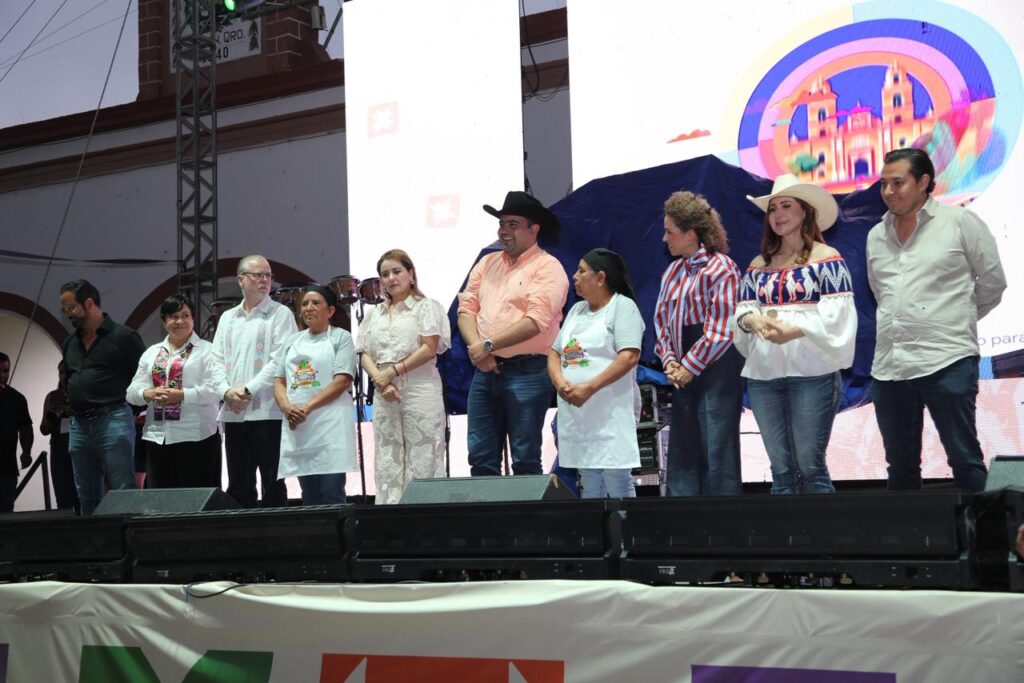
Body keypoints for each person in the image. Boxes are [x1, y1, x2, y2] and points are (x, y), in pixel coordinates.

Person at [867, 148, 1006, 492]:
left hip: (947, 360)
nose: (888, 191)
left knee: (964, 459)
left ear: (923, 182)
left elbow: (992, 282)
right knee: (899, 465)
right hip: (890, 368)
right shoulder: (875, 235)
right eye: (883, 184)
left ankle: (984, 530)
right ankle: (904, 529)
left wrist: (954, 318)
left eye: (898, 183)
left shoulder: (959, 222)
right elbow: (881, 293)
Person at [734, 174, 857, 494]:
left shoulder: (827, 258)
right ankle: (787, 527)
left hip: (812, 373)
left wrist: (797, 328)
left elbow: (840, 317)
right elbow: (742, 312)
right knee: (781, 470)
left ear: (806, 211)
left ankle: (821, 528)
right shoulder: (758, 264)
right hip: (764, 375)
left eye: (786, 206)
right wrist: (753, 321)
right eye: (773, 208)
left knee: (811, 466)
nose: (778, 214)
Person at [457, 191, 569, 477]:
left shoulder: (548, 267)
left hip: (529, 369)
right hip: (485, 369)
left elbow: (536, 321)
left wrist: (486, 346)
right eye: (502, 224)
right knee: (480, 457)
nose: (504, 231)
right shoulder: (486, 263)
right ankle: (488, 507)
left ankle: (527, 509)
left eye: (513, 224)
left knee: (525, 457)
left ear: (534, 229)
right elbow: (466, 310)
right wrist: (479, 349)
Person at [654, 191, 744, 496]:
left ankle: (721, 520)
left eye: (670, 232)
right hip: (683, 368)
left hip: (717, 367)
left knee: (717, 447)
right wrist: (669, 361)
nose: (665, 238)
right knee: (684, 449)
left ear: (691, 234)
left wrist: (688, 366)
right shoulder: (672, 272)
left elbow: (723, 328)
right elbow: (662, 321)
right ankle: (684, 517)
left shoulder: (722, 268)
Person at [548, 249, 644, 499]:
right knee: (588, 479)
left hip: (611, 411)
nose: (575, 276)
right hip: (578, 411)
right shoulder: (576, 310)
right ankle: (595, 526)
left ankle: (624, 525)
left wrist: (589, 387)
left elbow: (629, 356)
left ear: (601, 278)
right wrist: (560, 383)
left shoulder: (622, 307)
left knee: (616, 479)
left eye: (581, 271)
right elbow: (555, 353)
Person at [358, 249, 451, 504]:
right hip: (384, 390)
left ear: (411, 274)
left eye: (396, 271)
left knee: (423, 454)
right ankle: (390, 515)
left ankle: (423, 515)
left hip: (420, 388)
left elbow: (429, 348)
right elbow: (364, 353)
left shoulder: (426, 306)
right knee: (388, 456)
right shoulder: (374, 314)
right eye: (385, 274)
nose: (390, 278)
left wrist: (392, 372)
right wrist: (381, 380)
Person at [212, 255, 298, 507]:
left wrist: (247, 390)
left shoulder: (280, 314)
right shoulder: (228, 317)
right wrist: (226, 392)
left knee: (273, 483)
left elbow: (280, 360)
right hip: (234, 413)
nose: (265, 280)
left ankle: (276, 531)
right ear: (241, 279)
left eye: (268, 275)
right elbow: (216, 361)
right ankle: (243, 531)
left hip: (268, 412)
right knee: (239, 485)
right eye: (258, 275)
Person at [59, 279, 145, 515]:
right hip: (79, 424)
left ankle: (128, 538)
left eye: (70, 307)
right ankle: (93, 539)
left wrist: (129, 411)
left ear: (89, 303)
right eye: (63, 308)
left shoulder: (123, 336)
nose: (67, 313)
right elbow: (69, 378)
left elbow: (142, 377)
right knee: (86, 495)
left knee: (123, 490)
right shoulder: (70, 343)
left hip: (113, 418)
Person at [126, 294, 224, 489]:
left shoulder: (208, 350)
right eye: (173, 316)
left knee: (198, 500)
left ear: (193, 319)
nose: (180, 321)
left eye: (185, 316)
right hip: (157, 436)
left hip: (197, 436)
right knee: (162, 501)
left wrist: (182, 395)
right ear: (164, 321)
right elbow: (131, 392)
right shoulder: (151, 353)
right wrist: (147, 394)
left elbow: (216, 390)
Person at [274, 286, 358, 504]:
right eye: (304, 304)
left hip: (330, 426)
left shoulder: (341, 337)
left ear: (330, 311)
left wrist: (307, 407)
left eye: (315, 303)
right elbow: (279, 380)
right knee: (308, 494)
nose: (308, 308)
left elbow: (342, 380)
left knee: (332, 492)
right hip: (300, 427)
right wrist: (286, 407)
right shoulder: (292, 341)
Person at [40, 361, 78, 511]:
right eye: (61, 373)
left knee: (80, 494)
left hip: (79, 446)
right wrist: (53, 415)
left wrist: (72, 411)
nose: (63, 376)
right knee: (62, 495)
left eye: (66, 372)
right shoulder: (52, 396)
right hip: (59, 446)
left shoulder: (82, 395)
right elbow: (44, 429)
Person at [0, 352, 33, 513]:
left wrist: (26, 452)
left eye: (5, 371)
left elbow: (25, 427)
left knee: (6, 512)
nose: (2, 375)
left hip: (7, 468)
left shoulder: (17, 399)